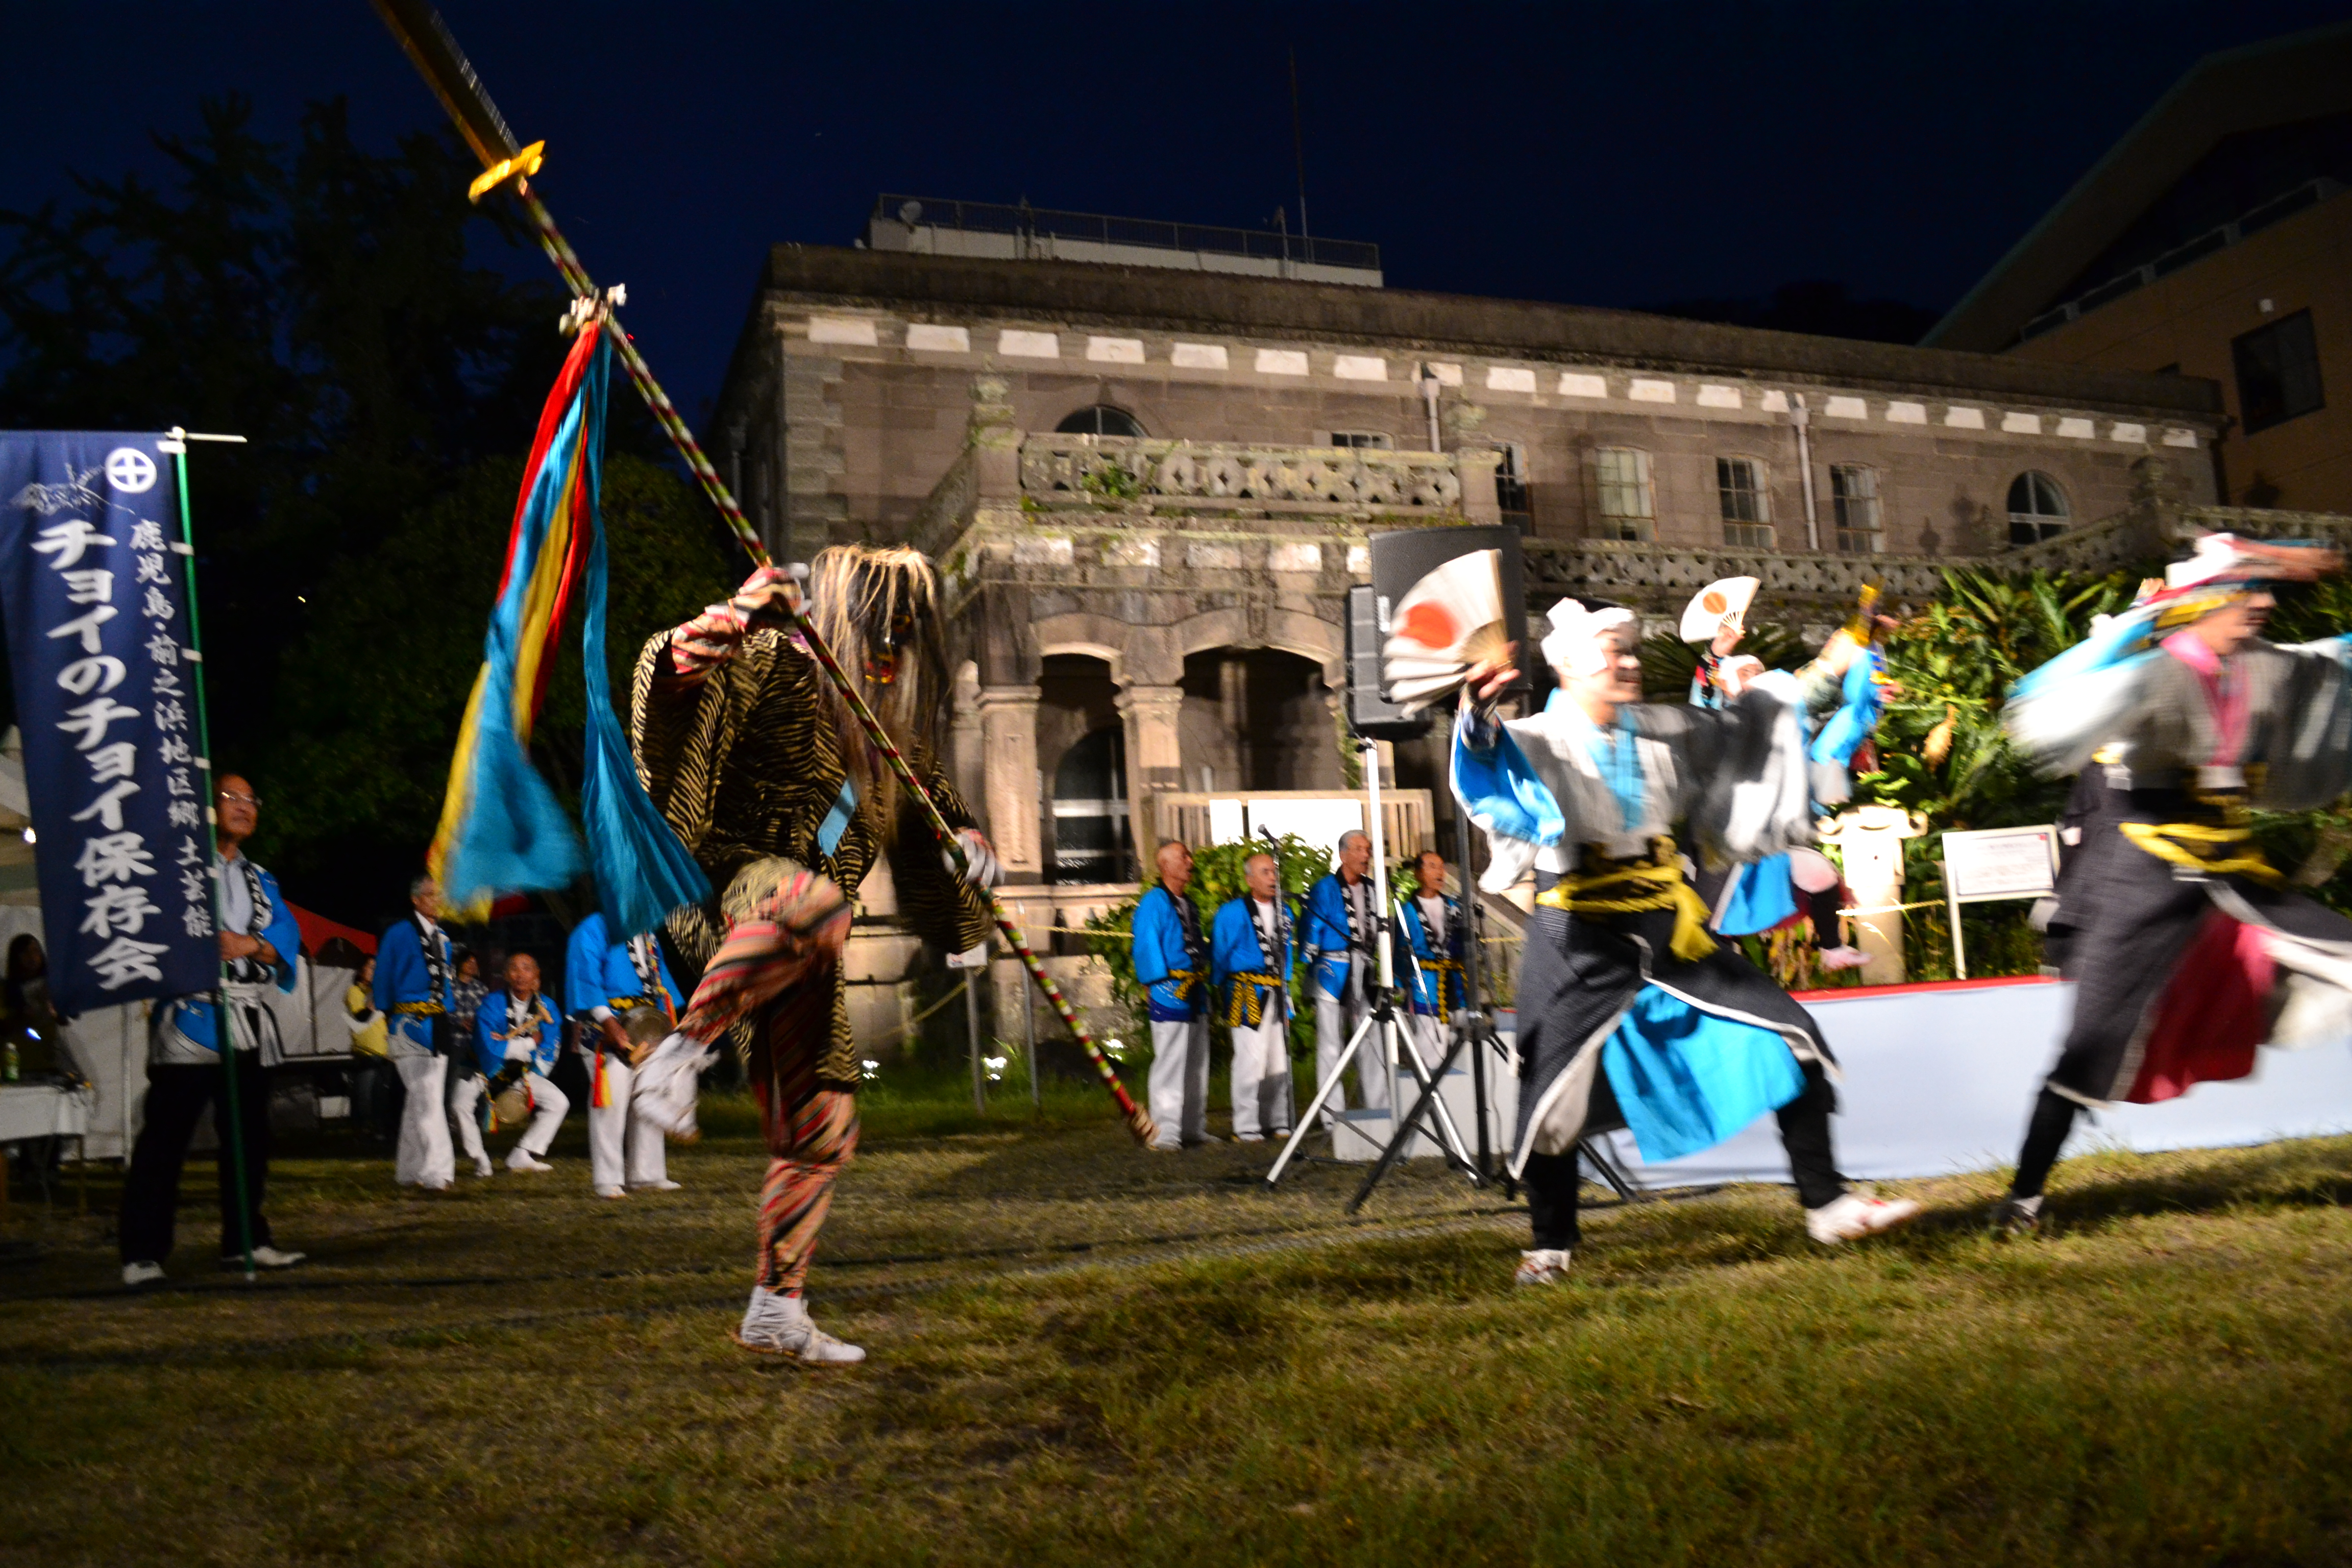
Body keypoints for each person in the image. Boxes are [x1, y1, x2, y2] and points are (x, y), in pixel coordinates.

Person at [1454, 600, 1920, 1287]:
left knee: (1791, 1034)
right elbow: (1486, 758)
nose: (1632, 662)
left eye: (1632, 650)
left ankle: (1828, 1206)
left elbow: (1755, 729)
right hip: (1577, 937)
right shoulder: (1535, 738)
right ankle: (1550, 1247)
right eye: (1617, 651)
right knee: (1552, 1094)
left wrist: (1832, 665)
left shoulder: (1665, 729)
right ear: (1574, 664)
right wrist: (1474, 713)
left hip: (1669, 929)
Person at [631, 548, 996, 1365]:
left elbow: (942, 846)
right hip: (724, 887)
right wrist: (740, 612)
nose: (889, 650)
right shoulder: (770, 661)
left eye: (904, 635)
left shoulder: (891, 740)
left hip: (801, 944)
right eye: (879, 628)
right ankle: (680, 1053)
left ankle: (775, 1307)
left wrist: (966, 848)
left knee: (822, 1129)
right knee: (814, 898)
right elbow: (673, 676)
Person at [1995, 534, 2352, 1236]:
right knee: (2089, 1049)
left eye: (2262, 595)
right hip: (2141, 882)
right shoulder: (2148, 677)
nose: (2262, 607)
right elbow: (2042, 703)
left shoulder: (2260, 668)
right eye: (2248, 595)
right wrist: (2139, 621)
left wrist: (2278, 562)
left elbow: (2335, 661)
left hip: (2230, 876)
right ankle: (2024, 1199)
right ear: (2206, 605)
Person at [118, 774, 306, 1285]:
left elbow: (284, 941)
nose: (244, 808)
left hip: (246, 1020)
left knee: (248, 1141)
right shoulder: (171, 869)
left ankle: (246, 1239)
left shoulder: (263, 880)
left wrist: (250, 946)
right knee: (166, 1140)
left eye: (252, 799)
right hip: (188, 1019)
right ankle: (142, 1251)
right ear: (207, 807)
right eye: (232, 799)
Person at [564, 910, 684, 1197]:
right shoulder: (593, 928)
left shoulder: (647, 930)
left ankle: (647, 1173)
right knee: (611, 1103)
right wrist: (609, 1022)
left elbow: (661, 982)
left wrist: (670, 1025)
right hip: (606, 1027)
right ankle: (607, 1178)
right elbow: (586, 978)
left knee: (647, 1097)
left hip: (647, 1025)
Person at [1302, 829, 1392, 1124]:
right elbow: (1310, 931)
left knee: (1372, 1038)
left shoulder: (1374, 889)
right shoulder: (1323, 889)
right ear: (1343, 855)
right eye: (1360, 850)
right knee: (1330, 1043)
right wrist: (1307, 960)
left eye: (1368, 849)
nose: (1366, 856)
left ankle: (1379, 1106)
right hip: (1331, 971)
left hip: (1364, 969)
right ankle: (1332, 1114)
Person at [376, 876, 458, 1192]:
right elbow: (383, 976)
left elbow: (446, 984)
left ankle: (409, 1170)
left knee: (421, 1101)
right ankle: (438, 1170)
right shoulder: (399, 934)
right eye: (431, 895)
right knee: (427, 1099)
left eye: (441, 896)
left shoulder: (443, 938)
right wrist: (389, 1015)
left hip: (437, 1023)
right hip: (408, 1022)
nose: (438, 901)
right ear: (415, 900)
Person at [1210, 849, 1296, 1142]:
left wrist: (1286, 984)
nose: (1273, 878)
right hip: (1245, 991)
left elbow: (1289, 954)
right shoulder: (1231, 913)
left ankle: (1279, 1120)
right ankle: (1246, 1125)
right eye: (1265, 873)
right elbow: (1220, 955)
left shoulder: (1286, 911)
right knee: (1250, 1058)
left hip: (1277, 989)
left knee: (1278, 1059)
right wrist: (1220, 987)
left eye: (1274, 872)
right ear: (1249, 879)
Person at [453, 951, 567, 1171]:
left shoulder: (548, 1008)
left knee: (559, 1103)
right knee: (459, 1105)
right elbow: (487, 1045)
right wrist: (528, 1045)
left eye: (526, 968)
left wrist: (513, 1050)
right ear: (505, 975)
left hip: (521, 1072)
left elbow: (549, 1046)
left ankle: (522, 1154)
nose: (520, 975)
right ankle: (480, 1159)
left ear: (536, 974)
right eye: (514, 969)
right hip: (482, 1068)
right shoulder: (492, 1003)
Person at [1133, 840, 1210, 1151]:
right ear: (1165, 865)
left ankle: (1193, 1128)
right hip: (1170, 990)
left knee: (1196, 1061)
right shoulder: (1154, 902)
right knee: (1171, 1061)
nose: (1190, 862)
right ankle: (1166, 1132)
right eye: (1183, 857)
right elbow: (1146, 944)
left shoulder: (1188, 903)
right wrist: (1154, 983)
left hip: (1195, 989)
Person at [1396, 850, 1467, 1070]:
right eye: (1433, 866)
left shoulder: (1454, 908)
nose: (1440, 872)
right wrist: (1399, 985)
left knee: (1462, 1048)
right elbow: (1400, 951)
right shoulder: (1407, 911)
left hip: (1454, 982)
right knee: (1431, 1048)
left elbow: (1465, 946)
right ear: (1418, 873)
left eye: (1442, 866)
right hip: (1425, 984)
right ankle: (1429, 1096)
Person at [443, 949, 498, 1178]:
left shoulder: (481, 989)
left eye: (476, 962)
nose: (473, 966)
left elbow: (488, 1014)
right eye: (470, 962)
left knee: (475, 1094)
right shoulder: (450, 987)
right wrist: (459, 1021)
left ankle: (478, 1123)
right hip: (455, 1044)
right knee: (451, 1092)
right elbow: (444, 1012)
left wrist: (480, 1025)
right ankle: (452, 1126)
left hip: (476, 1047)